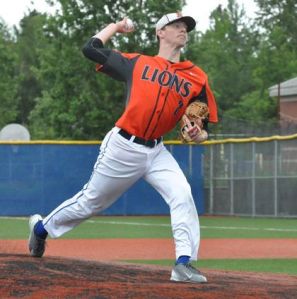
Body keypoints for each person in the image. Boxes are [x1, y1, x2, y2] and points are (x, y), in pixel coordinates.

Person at [28, 12, 218, 283]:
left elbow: (203, 133)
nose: (182, 30)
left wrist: (196, 134)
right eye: (176, 25)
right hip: (123, 146)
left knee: (182, 193)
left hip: (157, 152)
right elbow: (90, 49)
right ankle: (41, 228)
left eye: (185, 27)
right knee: (90, 203)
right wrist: (115, 27)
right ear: (160, 33)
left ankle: (184, 263)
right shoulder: (138, 63)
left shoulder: (196, 77)